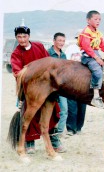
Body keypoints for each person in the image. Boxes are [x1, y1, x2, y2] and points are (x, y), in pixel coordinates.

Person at [10, 25, 65, 154]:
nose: (22, 39)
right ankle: (29, 142)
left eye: (24, 36)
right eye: (19, 37)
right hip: (29, 89)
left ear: (29, 36)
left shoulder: (39, 46)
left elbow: (49, 62)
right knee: (30, 114)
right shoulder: (16, 54)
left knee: (52, 112)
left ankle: (54, 140)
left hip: (46, 87)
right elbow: (18, 73)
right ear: (16, 38)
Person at [78, 10, 104, 108]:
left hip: (96, 53)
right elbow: (87, 47)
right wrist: (97, 58)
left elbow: (103, 46)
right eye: (95, 19)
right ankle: (95, 97)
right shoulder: (86, 32)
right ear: (88, 20)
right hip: (88, 56)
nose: (98, 21)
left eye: (99, 19)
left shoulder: (98, 33)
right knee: (98, 72)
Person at [65, 32, 87, 136]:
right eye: (78, 38)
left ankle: (79, 128)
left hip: (84, 80)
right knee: (71, 105)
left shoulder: (87, 48)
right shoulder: (70, 48)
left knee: (82, 106)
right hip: (72, 79)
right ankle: (70, 128)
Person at [48, 32, 68, 140]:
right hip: (50, 87)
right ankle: (50, 132)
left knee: (64, 110)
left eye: (63, 41)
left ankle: (58, 134)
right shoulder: (48, 53)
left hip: (61, 88)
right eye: (59, 40)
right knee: (50, 111)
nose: (61, 43)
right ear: (54, 41)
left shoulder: (64, 55)